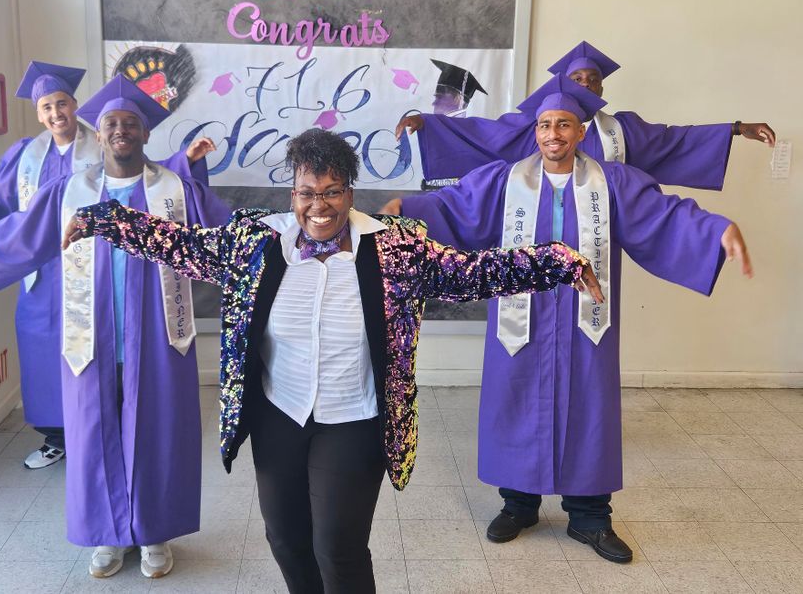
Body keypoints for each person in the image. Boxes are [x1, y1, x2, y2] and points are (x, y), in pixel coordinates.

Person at [61, 128, 599, 593]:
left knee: (337, 547)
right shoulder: (255, 241)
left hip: (355, 417)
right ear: (292, 194)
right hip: (280, 413)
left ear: (350, 192)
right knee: (285, 539)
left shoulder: (396, 248)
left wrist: (561, 262)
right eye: (307, 193)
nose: (318, 206)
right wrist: (103, 218)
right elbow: (180, 244)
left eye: (332, 192)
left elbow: (473, 272)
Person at [380, 74, 753, 564]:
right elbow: (455, 206)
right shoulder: (504, 180)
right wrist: (408, 210)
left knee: (589, 406)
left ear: (580, 132)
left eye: (564, 125)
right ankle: (518, 505)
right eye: (545, 125)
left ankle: (590, 516)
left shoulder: (613, 181)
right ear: (535, 131)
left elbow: (664, 214)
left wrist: (716, 230)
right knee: (516, 399)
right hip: (521, 320)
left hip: (585, 322)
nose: (553, 133)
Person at [0, 75, 232, 579]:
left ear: (145, 132)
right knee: (95, 435)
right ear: (100, 132)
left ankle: (154, 533)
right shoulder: (68, 191)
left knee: (157, 434)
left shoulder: (176, 191)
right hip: (90, 338)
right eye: (111, 123)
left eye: (131, 123)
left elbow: (232, 239)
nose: (120, 130)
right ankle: (108, 534)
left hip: (160, 338)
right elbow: (10, 241)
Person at [0, 61, 212, 470]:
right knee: (50, 358)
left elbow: (149, 181)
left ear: (74, 105)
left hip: (100, 271)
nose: (56, 113)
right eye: (47, 107)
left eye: (62, 103)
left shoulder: (108, 145)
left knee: (114, 359)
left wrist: (185, 162)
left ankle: (118, 442)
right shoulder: (29, 156)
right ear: (39, 113)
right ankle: (59, 439)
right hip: (43, 273)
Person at [396, 40, 776, 190]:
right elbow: (484, 134)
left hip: (599, 229)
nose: (586, 85)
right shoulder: (536, 127)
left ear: (602, 89)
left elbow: (675, 140)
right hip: (537, 225)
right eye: (577, 79)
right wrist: (428, 123)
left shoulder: (622, 130)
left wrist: (736, 128)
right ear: (563, 83)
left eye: (593, 80)